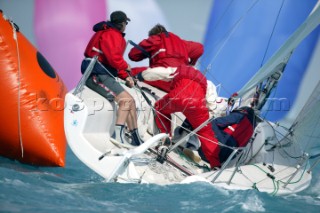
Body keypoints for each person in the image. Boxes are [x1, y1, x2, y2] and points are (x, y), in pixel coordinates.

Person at [80, 11, 143, 146]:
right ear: (121, 24)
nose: (126, 25)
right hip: (97, 75)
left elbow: (111, 63)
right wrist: (126, 66)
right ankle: (118, 137)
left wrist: (126, 76)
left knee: (130, 101)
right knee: (126, 101)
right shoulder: (112, 35)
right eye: (126, 23)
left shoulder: (110, 33)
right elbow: (114, 59)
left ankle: (136, 140)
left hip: (103, 73)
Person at [128, 24, 204, 92]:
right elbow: (200, 48)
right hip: (181, 79)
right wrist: (191, 64)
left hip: (162, 78)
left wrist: (147, 52)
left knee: (128, 72)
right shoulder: (182, 43)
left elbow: (132, 55)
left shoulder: (156, 38)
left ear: (154, 35)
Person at [183, 106, 256, 166]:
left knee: (203, 118)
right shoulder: (251, 131)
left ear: (242, 110)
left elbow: (219, 122)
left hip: (217, 146)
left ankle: (187, 142)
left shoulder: (241, 115)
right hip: (221, 158)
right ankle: (197, 151)